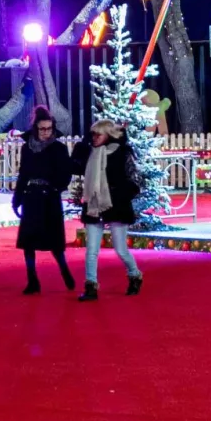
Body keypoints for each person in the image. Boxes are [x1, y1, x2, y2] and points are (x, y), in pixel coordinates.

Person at [70, 119, 143, 300]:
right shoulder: (89, 153)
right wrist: (85, 141)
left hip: (116, 204)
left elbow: (136, 180)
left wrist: (120, 193)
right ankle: (91, 286)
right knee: (92, 250)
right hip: (94, 204)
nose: (94, 138)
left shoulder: (122, 152)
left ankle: (135, 275)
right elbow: (74, 165)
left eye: (98, 134)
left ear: (108, 135)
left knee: (120, 249)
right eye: (92, 134)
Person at [13, 106, 75, 294]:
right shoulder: (27, 148)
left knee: (55, 242)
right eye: (42, 129)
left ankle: (65, 272)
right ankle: (32, 280)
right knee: (29, 242)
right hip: (31, 198)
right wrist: (17, 199)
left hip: (49, 198)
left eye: (49, 129)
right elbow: (23, 174)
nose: (46, 132)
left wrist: (56, 187)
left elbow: (66, 173)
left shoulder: (58, 148)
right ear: (36, 128)